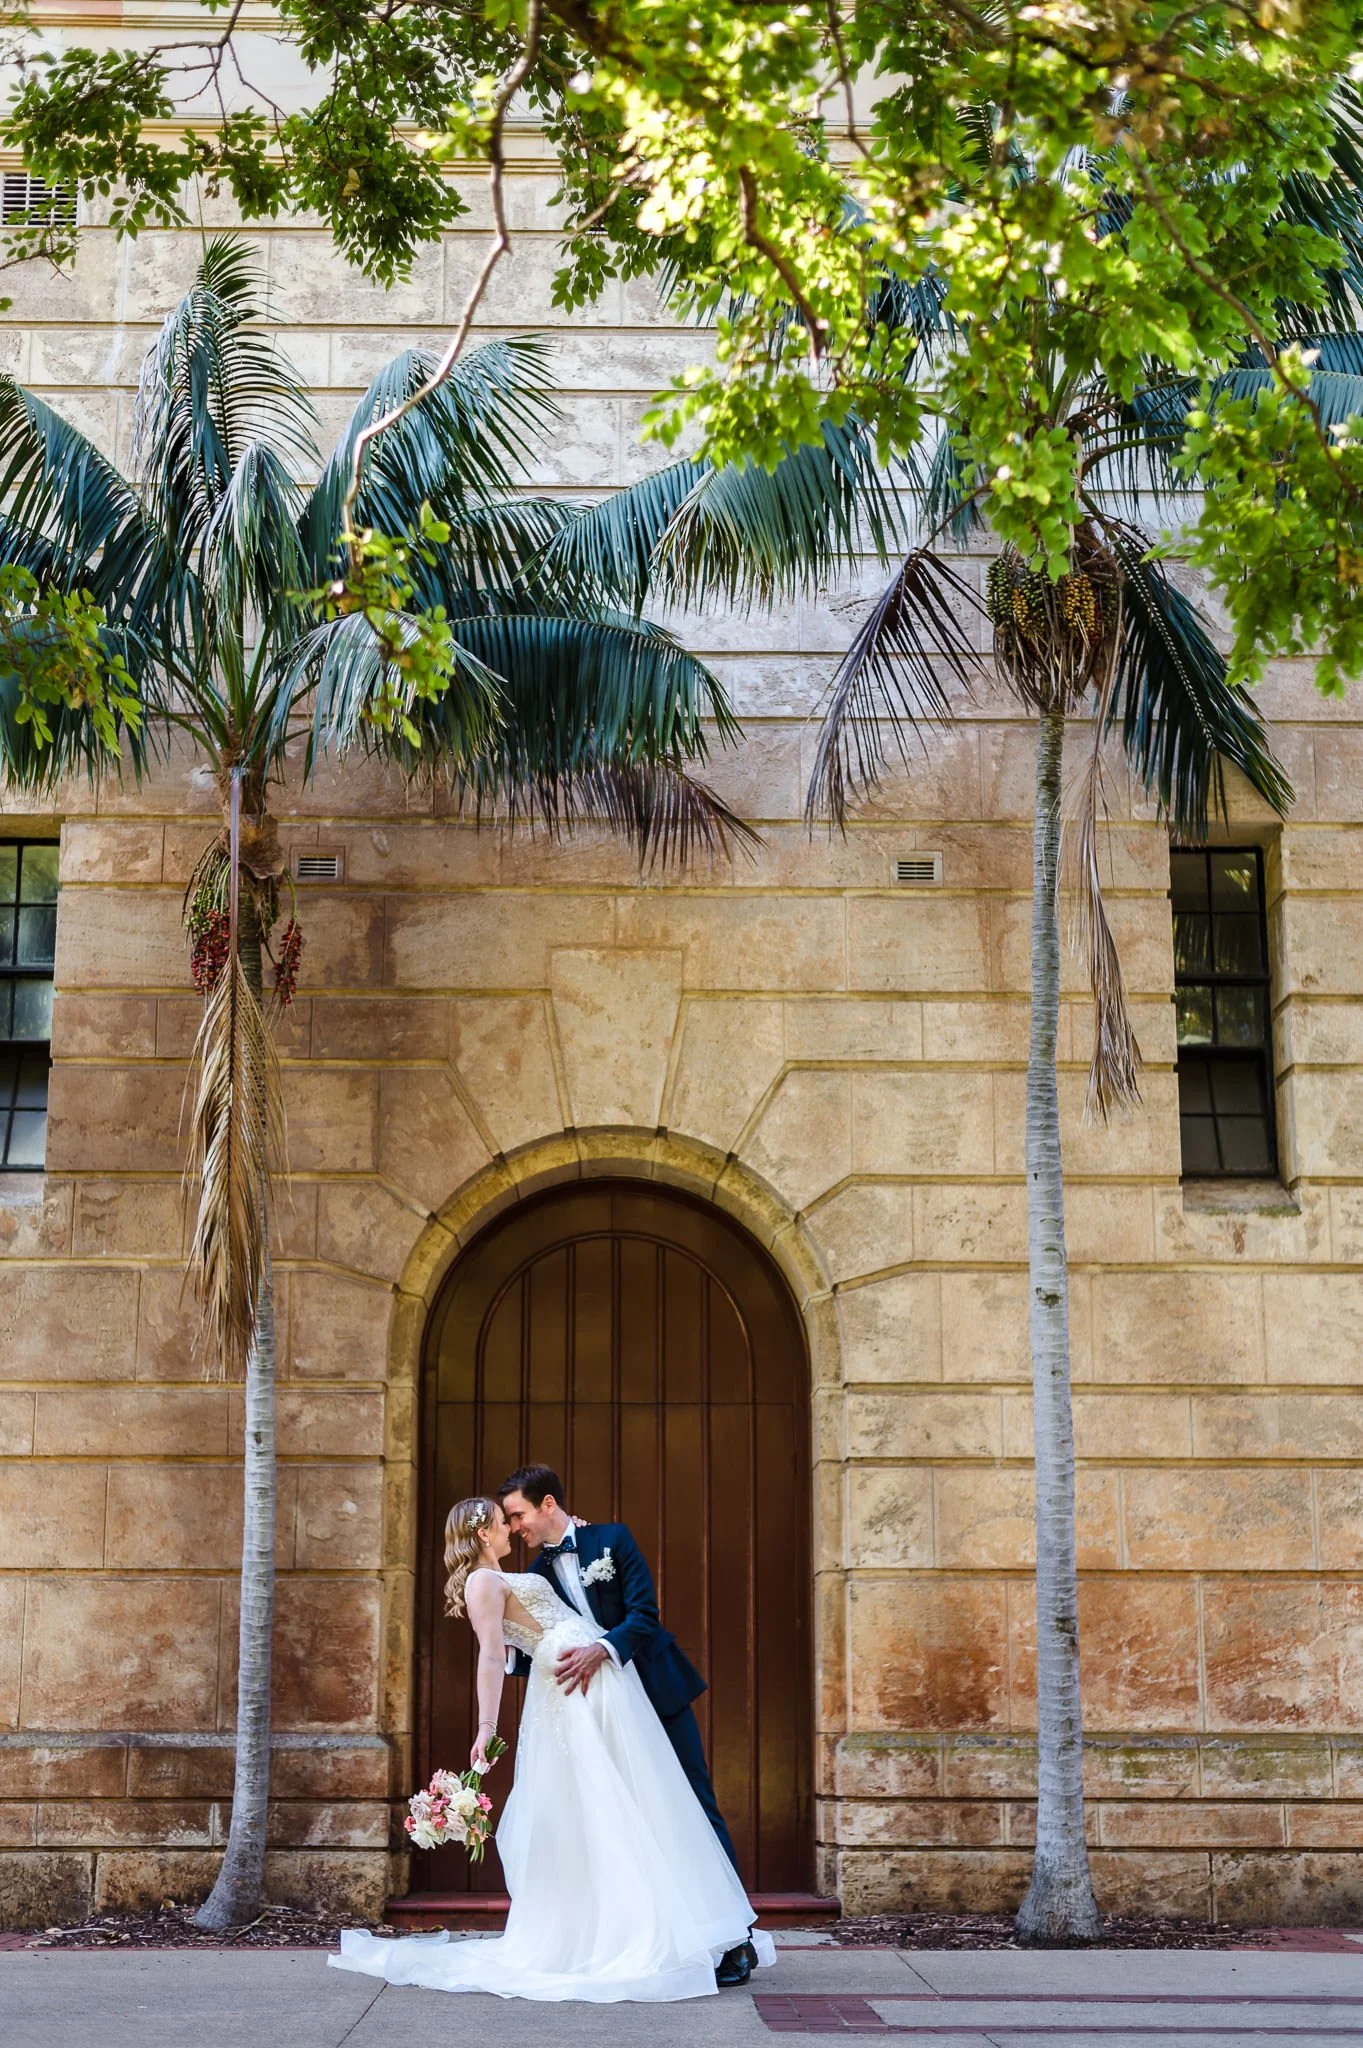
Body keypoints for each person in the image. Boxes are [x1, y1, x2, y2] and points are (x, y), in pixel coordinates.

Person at [329, 1492, 776, 2004]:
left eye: (515, 1518)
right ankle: (633, 1929)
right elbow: (493, 1658)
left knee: (646, 1792)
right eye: (503, 1523)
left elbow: (590, 1605)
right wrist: (485, 1726)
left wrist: (577, 1535)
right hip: (571, 1683)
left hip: (598, 1674)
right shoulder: (482, 1582)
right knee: (607, 1799)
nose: (511, 1530)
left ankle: (691, 1927)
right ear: (482, 1534)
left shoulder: (539, 1562)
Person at [497, 1462, 754, 1987]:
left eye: (518, 1514)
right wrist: (502, 1647)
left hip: (656, 1693)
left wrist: (602, 1649)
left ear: (548, 1505)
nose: (515, 1526)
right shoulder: (535, 1578)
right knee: (635, 1815)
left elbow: (644, 1613)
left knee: (693, 1805)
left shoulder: (612, 1540)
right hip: (597, 1714)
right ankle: (660, 1932)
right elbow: (543, 1647)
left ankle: (735, 1940)